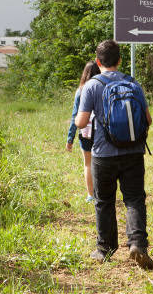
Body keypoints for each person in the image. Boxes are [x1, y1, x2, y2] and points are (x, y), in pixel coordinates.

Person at [75, 39, 153, 270]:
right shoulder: (133, 83)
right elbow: (148, 119)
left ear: (98, 61)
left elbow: (81, 122)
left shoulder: (91, 85)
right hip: (133, 152)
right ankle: (138, 243)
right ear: (120, 60)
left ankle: (105, 249)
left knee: (104, 201)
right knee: (135, 199)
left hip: (103, 154)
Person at [66, 60, 101, 203]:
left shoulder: (80, 91)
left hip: (85, 131)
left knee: (88, 163)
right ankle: (102, 193)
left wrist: (70, 139)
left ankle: (91, 195)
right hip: (101, 131)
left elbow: (75, 116)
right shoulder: (102, 87)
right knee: (102, 162)